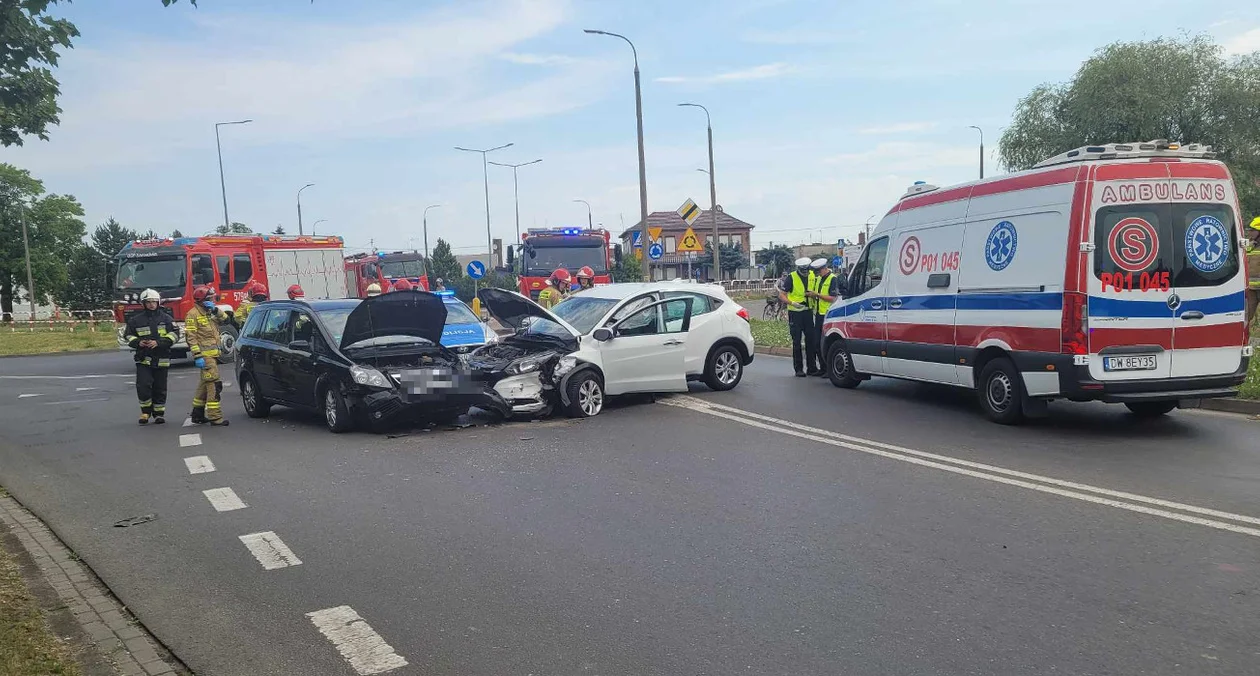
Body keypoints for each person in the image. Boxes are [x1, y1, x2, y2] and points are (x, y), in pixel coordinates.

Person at [123, 288, 177, 425]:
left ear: (158, 302)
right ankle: (145, 412)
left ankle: (159, 414)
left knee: (160, 387)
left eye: (154, 302)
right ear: (143, 304)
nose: (152, 304)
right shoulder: (135, 320)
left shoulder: (166, 319)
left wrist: (159, 343)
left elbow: (175, 334)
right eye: (148, 302)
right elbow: (128, 335)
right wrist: (138, 342)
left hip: (161, 358)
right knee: (143, 385)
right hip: (144, 358)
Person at [186, 286, 231, 427]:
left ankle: (197, 414)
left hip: (213, 355)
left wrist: (216, 310)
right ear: (203, 300)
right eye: (210, 298)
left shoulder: (210, 312)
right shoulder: (192, 315)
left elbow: (227, 320)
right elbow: (191, 338)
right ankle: (215, 417)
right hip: (205, 357)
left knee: (204, 384)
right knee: (214, 385)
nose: (213, 300)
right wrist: (197, 356)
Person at [778, 257, 818, 377]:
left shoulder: (812, 275)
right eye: (803, 270)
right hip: (795, 312)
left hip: (808, 311)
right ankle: (798, 369)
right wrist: (791, 303)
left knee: (811, 340)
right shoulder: (792, 277)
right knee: (797, 341)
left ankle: (812, 368)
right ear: (799, 269)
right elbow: (782, 295)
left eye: (807, 270)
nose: (805, 273)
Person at [807, 258, 841, 376]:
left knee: (825, 342)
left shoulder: (833, 279)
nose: (818, 274)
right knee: (817, 342)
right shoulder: (819, 279)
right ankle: (822, 367)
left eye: (819, 271)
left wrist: (816, 294)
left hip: (829, 315)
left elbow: (832, 298)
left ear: (825, 269)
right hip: (819, 315)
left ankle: (828, 369)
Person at [1246, 216, 1260, 331]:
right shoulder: (1249, 245)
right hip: (1251, 289)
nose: (1249, 232)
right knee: (1247, 316)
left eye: (1252, 230)